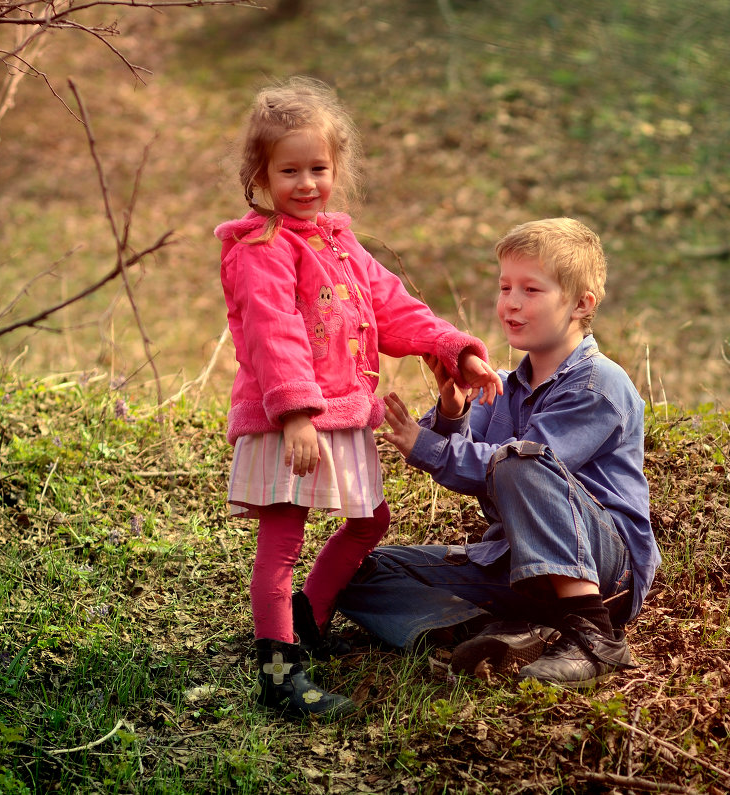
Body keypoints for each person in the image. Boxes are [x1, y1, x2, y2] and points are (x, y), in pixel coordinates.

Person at [214, 76, 503, 719]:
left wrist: (458, 351)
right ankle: (279, 674)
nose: (307, 183)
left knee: (371, 521)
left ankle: (306, 619)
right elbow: (272, 334)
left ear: (336, 169)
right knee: (282, 541)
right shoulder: (260, 250)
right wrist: (295, 414)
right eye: (289, 170)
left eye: (318, 168)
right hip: (292, 417)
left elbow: (396, 309)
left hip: (341, 413)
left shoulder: (341, 245)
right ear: (259, 176)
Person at [336, 217, 661, 689]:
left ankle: (593, 635)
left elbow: (509, 464)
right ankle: (484, 629)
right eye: (505, 286)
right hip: (517, 566)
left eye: (531, 290)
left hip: (603, 563)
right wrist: (452, 413)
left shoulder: (598, 384)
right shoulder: (503, 386)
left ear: (581, 304)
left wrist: (429, 446)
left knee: (520, 459)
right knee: (361, 571)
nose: (510, 302)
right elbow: (465, 453)